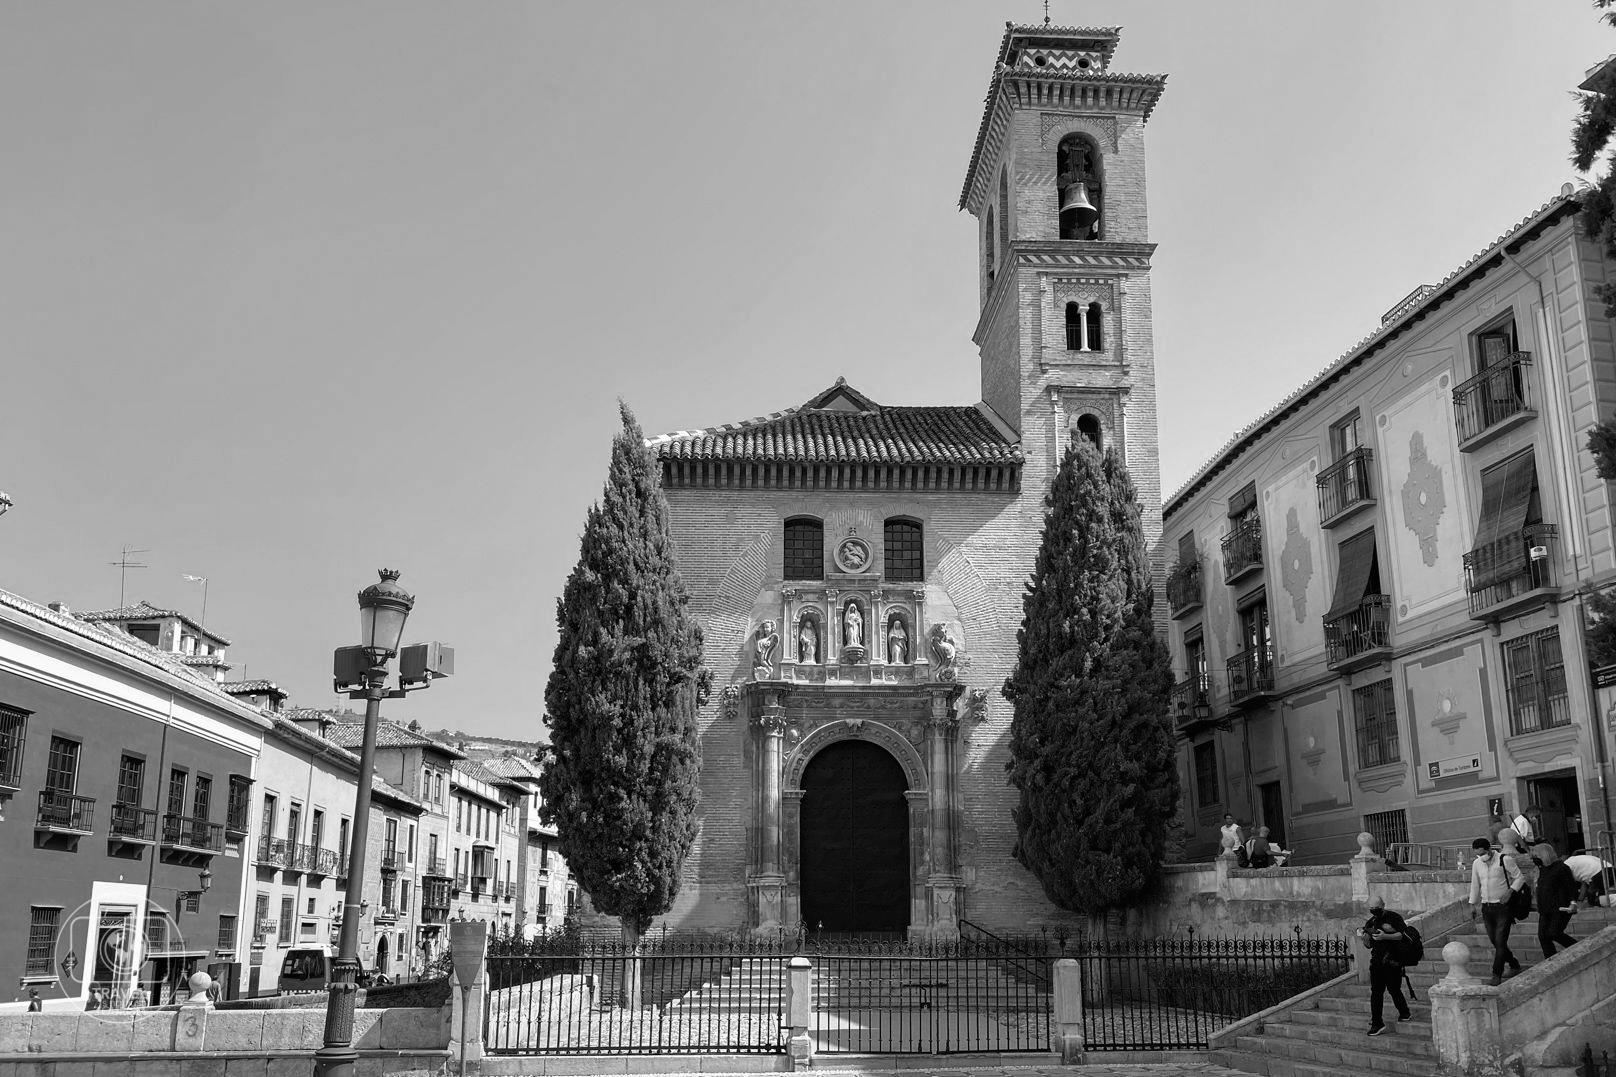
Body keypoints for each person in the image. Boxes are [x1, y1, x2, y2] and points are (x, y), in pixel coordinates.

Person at [1468, 835, 1526, 986]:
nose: (1480, 856)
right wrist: (1472, 904)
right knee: (1495, 941)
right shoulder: (1477, 864)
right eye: (1477, 854)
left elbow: (1519, 878)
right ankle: (1514, 964)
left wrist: (1510, 891)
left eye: (1482, 853)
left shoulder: (1504, 859)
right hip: (1487, 907)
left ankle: (1496, 974)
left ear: (1489, 849)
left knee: (1500, 941)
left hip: (1503, 907)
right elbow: (1475, 884)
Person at [1360, 896, 1413, 1036]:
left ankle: (1404, 1012)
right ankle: (1377, 1022)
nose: (1374, 911)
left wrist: (1385, 936)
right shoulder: (1371, 922)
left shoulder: (1394, 917)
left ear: (1383, 905)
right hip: (1377, 961)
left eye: (1377, 908)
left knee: (1394, 989)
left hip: (1393, 961)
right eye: (1372, 909)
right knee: (1376, 992)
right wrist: (1364, 937)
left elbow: (1402, 935)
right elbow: (1368, 945)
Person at [1532, 844, 1578, 957]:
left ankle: (1578, 948)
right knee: (1543, 936)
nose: (1534, 858)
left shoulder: (1561, 868)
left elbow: (1570, 886)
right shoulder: (1542, 869)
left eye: (1536, 855)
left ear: (1544, 854)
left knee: (1554, 933)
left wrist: (1573, 902)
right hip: (1545, 908)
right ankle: (1550, 960)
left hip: (1560, 907)